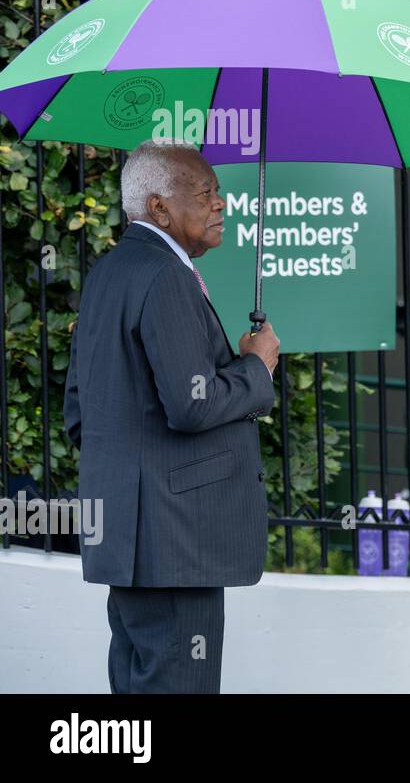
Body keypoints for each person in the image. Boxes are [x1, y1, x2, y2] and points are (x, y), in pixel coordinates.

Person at [63, 141, 280, 693]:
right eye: (206, 192)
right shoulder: (165, 276)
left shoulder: (109, 272)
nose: (221, 204)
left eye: (220, 192)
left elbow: (79, 410)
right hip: (179, 541)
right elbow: (191, 402)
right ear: (159, 207)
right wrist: (256, 369)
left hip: (131, 540)